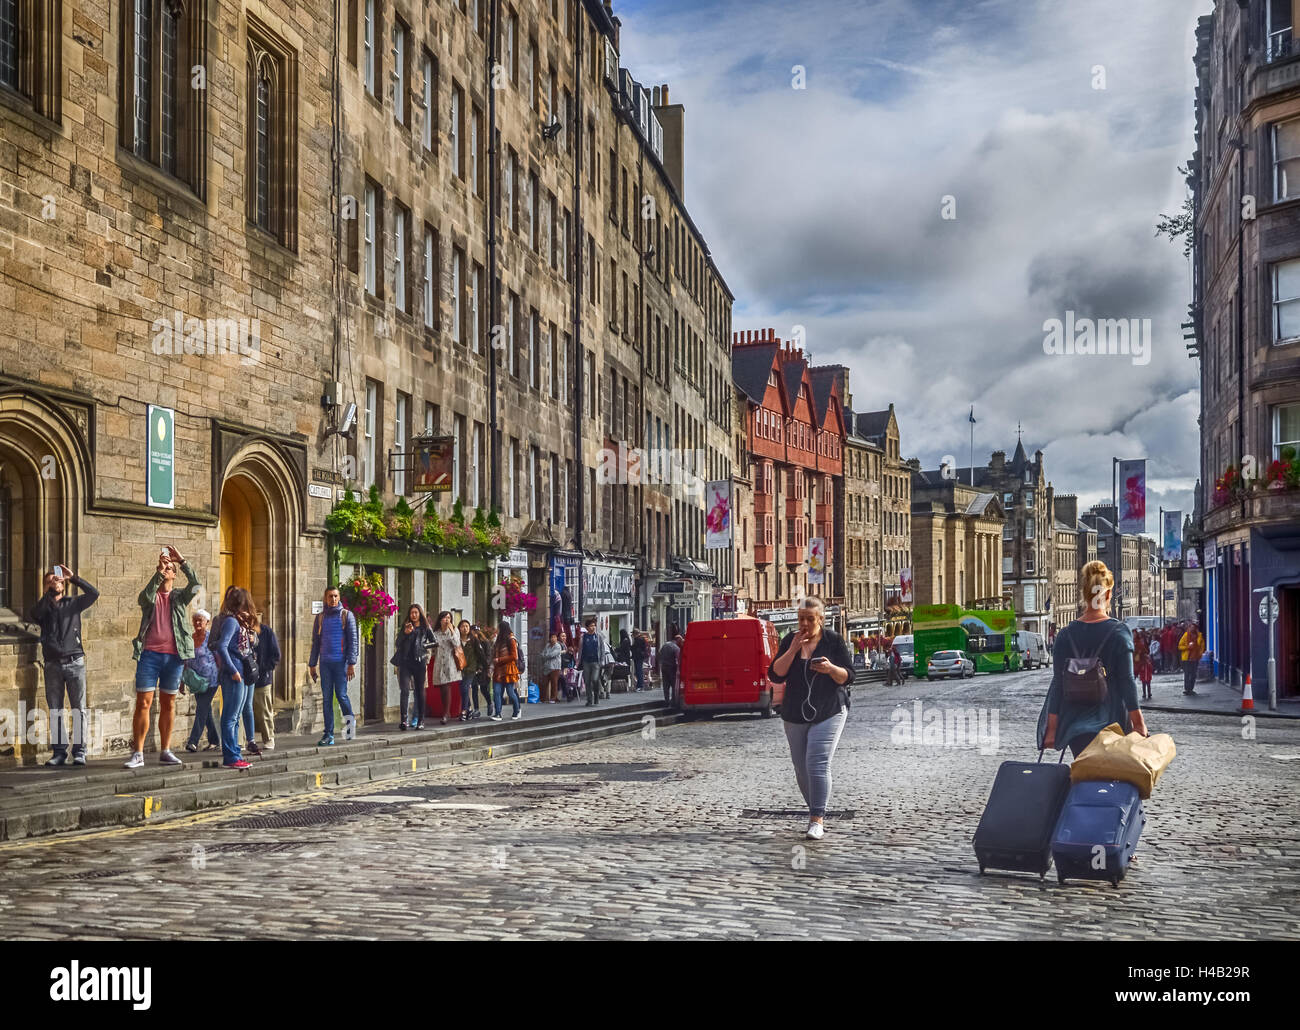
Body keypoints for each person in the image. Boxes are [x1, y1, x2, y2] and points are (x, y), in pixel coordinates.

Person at [1039, 560, 1149, 759]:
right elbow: (1126, 681)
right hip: (1111, 722)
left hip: (1075, 726)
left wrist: (1052, 729)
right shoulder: (1119, 633)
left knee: (1083, 776)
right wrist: (1139, 724)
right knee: (1109, 780)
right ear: (1107, 595)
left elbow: (1057, 684)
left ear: (1084, 593)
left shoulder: (1065, 635)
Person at [768, 597, 854, 841]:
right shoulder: (789, 641)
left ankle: (817, 818)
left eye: (810, 618)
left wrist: (831, 669)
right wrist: (794, 649)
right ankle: (815, 805)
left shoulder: (833, 641)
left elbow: (848, 676)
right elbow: (776, 674)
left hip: (829, 710)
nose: (804, 623)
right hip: (795, 712)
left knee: (817, 762)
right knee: (801, 768)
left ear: (821, 619)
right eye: (801, 619)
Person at [125, 546, 201, 769]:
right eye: (164, 567)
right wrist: (158, 572)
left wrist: (182, 561)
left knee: (169, 703)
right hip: (149, 655)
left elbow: (196, 585)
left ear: (175, 574)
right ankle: (138, 753)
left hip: (174, 657)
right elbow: (143, 599)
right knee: (144, 703)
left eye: (170, 568)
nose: (167, 570)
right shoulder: (151, 596)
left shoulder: (179, 597)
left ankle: (166, 750)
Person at [29, 563, 98, 767]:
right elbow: (35, 614)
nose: (55, 583)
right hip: (52, 664)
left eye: (58, 580)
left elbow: (94, 593)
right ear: (45, 587)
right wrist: (48, 593)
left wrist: (73, 577)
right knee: (56, 709)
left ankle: (80, 751)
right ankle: (59, 752)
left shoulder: (73, 603)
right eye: (51, 581)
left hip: (75, 661)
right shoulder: (43, 607)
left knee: (79, 708)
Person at [213, 586, 259, 770]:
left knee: (236, 715)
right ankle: (231, 756)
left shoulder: (239, 622)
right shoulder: (231, 622)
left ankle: (235, 754)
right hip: (234, 674)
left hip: (240, 671)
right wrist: (233, 670)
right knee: (230, 717)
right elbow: (222, 647)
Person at [308, 586, 358, 746]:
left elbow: (353, 641)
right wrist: (312, 664)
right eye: (330, 596)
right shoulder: (321, 618)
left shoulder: (347, 616)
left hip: (341, 663)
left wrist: (351, 663)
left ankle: (350, 725)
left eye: (336, 596)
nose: (333, 599)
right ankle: (328, 734)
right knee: (327, 699)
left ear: (339, 597)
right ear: (325, 598)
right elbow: (315, 642)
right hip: (325, 663)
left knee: (342, 695)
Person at [183, 608, 221, 753]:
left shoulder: (211, 638)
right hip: (195, 681)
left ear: (207, 622)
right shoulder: (190, 638)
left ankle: (193, 742)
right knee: (206, 710)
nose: (198, 622)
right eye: (196, 620)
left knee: (201, 708)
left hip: (211, 680)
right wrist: (182, 681)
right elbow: (185, 660)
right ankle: (214, 740)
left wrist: (222, 677)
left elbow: (218, 658)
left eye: (201, 620)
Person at [394, 605, 434, 729]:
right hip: (405, 662)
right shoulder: (406, 627)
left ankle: (421, 720)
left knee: (419, 690)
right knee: (404, 690)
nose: (414, 615)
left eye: (416, 613)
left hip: (420, 662)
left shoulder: (425, 627)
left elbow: (434, 641)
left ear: (420, 614)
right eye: (412, 613)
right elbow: (397, 643)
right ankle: (404, 720)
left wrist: (423, 647)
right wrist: (405, 633)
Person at [251, 611, 281, 749]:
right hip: (247, 678)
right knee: (245, 711)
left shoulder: (266, 632)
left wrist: (264, 668)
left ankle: (269, 738)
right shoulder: (242, 632)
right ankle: (244, 741)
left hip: (262, 677)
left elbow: (276, 655)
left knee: (264, 710)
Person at [428, 610, 462, 725]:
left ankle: (446, 713)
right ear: (440, 619)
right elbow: (432, 647)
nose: (447, 620)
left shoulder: (454, 630)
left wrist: (452, 630)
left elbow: (457, 644)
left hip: (449, 662)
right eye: (445, 618)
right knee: (442, 687)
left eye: (449, 618)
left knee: (446, 686)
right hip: (439, 662)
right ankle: (446, 712)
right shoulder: (436, 632)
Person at [491, 619, 523, 721]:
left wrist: (499, 659)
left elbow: (514, 656)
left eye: (498, 628)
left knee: (510, 692)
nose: (497, 630)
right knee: (497, 692)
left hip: (509, 669)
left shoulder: (511, 639)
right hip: (498, 670)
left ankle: (517, 710)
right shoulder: (498, 640)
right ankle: (498, 713)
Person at [457, 619, 480, 721]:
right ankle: (469, 708)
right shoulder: (457, 640)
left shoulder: (474, 640)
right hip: (460, 669)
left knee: (465, 687)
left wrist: (481, 667)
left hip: (471, 669)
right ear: (459, 628)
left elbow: (480, 654)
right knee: (462, 689)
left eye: (467, 626)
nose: (465, 628)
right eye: (462, 626)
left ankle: (464, 711)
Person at [579, 618, 604, 707]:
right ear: (587, 627)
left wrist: (602, 661)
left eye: (594, 625)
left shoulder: (598, 636)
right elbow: (580, 650)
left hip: (596, 662)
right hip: (586, 662)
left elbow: (602, 649)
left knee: (594, 679)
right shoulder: (583, 637)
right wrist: (579, 661)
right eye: (591, 626)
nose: (593, 627)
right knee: (587, 682)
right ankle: (589, 700)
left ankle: (596, 696)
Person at [1179, 622, 1205, 696]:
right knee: (1187, 674)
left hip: (1195, 658)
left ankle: (1191, 689)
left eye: (1194, 627)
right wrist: (1187, 647)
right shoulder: (1185, 635)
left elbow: (1202, 646)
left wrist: (1200, 654)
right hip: (1187, 658)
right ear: (1189, 628)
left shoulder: (1199, 636)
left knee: (1193, 674)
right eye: (1191, 627)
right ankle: (1187, 689)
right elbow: (1180, 646)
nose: (1192, 629)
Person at [657, 633, 681, 704]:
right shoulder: (676, 648)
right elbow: (678, 659)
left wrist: (661, 663)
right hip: (672, 668)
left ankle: (666, 700)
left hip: (664, 667)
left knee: (665, 685)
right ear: (677, 640)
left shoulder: (665, 645)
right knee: (674, 684)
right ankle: (673, 700)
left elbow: (659, 654)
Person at [541, 633, 564, 703]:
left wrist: (545, 656)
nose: (553, 639)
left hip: (555, 667)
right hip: (547, 667)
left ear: (556, 638)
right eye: (552, 637)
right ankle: (544, 698)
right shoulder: (547, 645)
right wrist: (545, 655)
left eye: (555, 637)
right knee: (544, 683)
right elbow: (542, 654)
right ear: (550, 638)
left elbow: (552, 655)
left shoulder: (558, 646)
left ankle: (553, 698)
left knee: (554, 683)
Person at [1135, 635, 1154, 701]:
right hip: (1144, 676)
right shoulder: (1142, 663)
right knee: (1144, 685)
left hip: (1148, 676)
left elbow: (1151, 668)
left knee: (1148, 685)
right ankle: (1144, 693)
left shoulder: (1148, 663)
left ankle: (1148, 693)